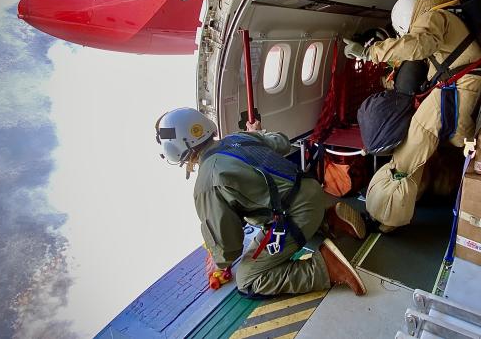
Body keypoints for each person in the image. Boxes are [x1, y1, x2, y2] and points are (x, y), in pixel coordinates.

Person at [155, 108, 367, 297]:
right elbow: (282, 142)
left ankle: (327, 268)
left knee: (248, 279)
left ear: (176, 148)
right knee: (279, 210)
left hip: (297, 213)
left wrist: (220, 262)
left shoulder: (206, 183)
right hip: (312, 190)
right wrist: (257, 134)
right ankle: (329, 219)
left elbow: (229, 245)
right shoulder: (238, 138)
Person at [343, 0, 481, 232]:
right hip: (461, 88)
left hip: (456, 90)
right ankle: (412, 198)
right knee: (425, 150)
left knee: (407, 154)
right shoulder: (450, 19)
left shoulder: (434, 18)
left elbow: (418, 44)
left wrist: (369, 52)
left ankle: (385, 218)